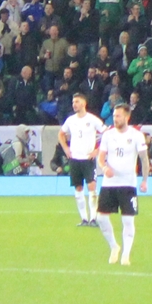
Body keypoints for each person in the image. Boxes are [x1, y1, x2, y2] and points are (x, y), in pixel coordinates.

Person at [94, 102, 148, 266]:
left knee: (128, 220)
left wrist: (145, 180)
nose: (115, 119)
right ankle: (114, 246)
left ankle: (126, 255)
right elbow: (101, 157)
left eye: (118, 116)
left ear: (127, 117)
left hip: (128, 184)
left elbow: (144, 159)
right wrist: (104, 168)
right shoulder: (108, 135)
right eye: (114, 116)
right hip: (109, 184)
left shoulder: (136, 135)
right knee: (101, 218)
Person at [57, 93, 105, 227]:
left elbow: (106, 133)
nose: (74, 104)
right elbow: (61, 134)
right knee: (78, 187)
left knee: (91, 186)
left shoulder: (93, 119)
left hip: (88, 159)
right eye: (73, 102)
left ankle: (93, 218)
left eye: (77, 102)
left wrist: (97, 150)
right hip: (75, 159)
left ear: (84, 103)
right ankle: (84, 219)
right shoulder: (70, 120)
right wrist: (66, 149)